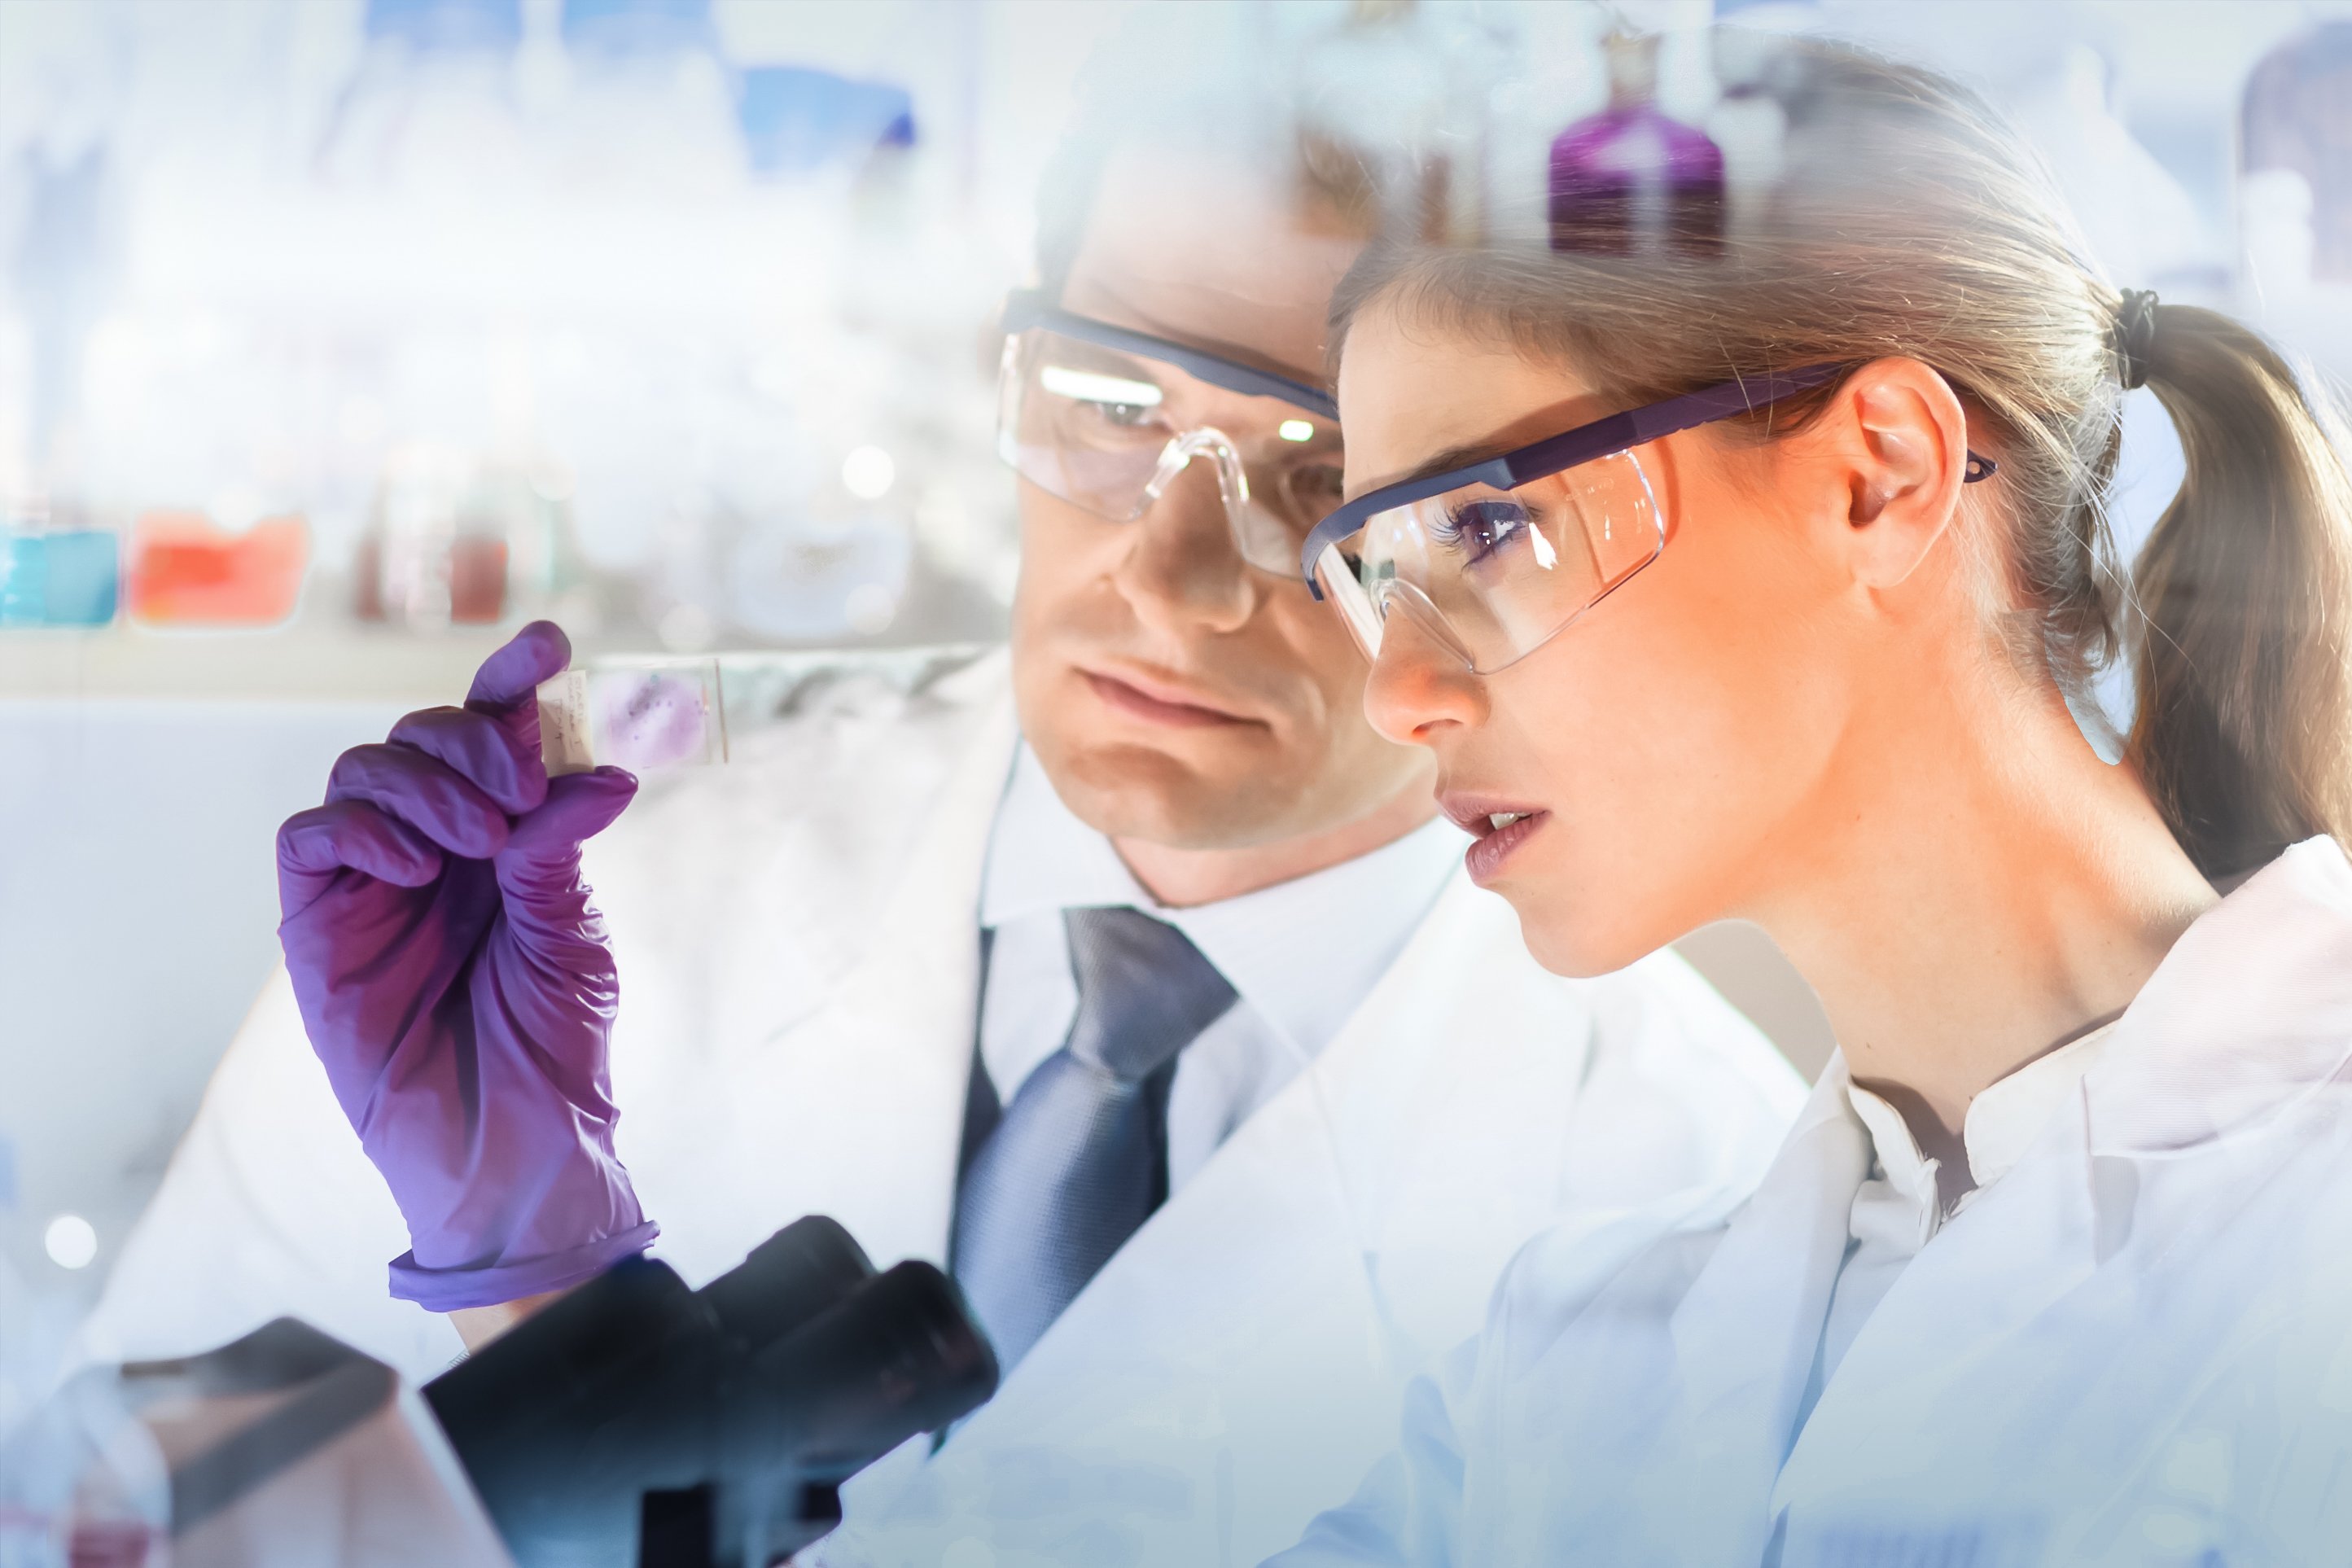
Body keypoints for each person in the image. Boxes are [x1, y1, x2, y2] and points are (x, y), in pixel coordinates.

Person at [77, 46, 1803, 1568]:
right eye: (1112, 404)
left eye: (1331, 476)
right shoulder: (590, 898)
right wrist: (521, 1327)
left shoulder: (1699, 1203)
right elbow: (109, 1515)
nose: (1174, 577)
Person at [1272, 34, 2352, 1566]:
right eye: (1376, 573)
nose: (1398, 690)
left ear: (1881, 475)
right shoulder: (1555, 1376)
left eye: (1492, 526)